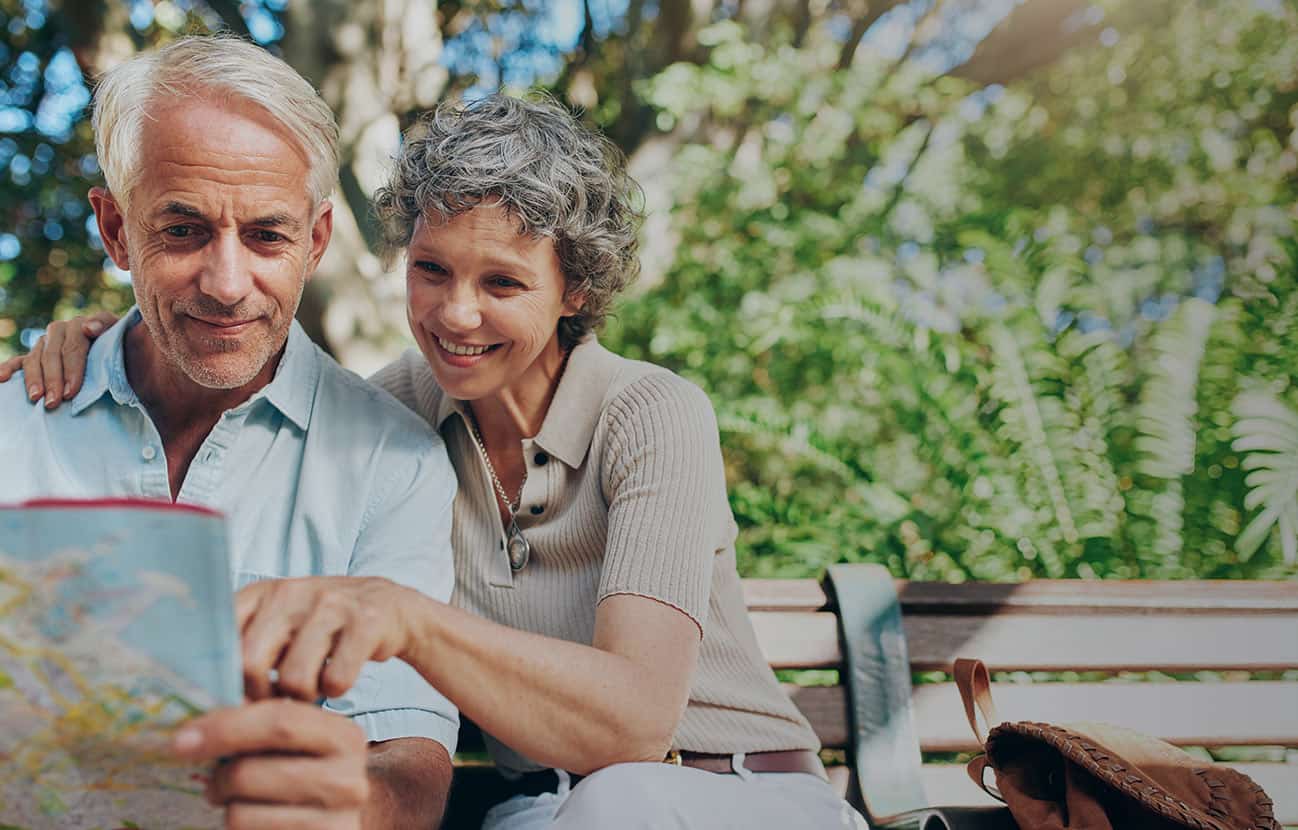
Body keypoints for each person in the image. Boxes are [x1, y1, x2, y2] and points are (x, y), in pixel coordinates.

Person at [5, 95, 866, 829]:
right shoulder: (396, 419)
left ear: (575, 290)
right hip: (549, 808)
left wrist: (402, 617)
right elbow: (255, 373)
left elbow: (634, 725)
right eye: (431, 270)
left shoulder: (651, 414)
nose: (457, 315)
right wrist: (96, 338)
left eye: (502, 284)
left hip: (727, 792)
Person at [0, 37, 459, 829]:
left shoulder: (396, 461)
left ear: (316, 242)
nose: (226, 283)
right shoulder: (14, 425)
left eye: (267, 236)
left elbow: (407, 762)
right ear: (114, 231)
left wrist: (338, 810)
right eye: (181, 232)